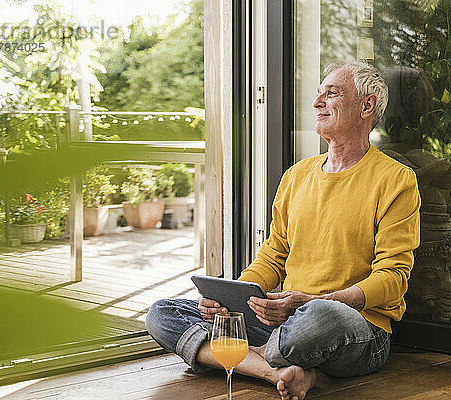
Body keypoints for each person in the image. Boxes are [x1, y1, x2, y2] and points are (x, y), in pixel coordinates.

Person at [145, 61, 421, 400]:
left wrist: (314, 301)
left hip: (353, 326)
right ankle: (275, 369)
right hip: (283, 320)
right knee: (162, 313)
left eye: (331, 94)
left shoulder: (396, 180)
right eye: (318, 93)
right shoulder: (296, 176)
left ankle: (244, 355)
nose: (317, 103)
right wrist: (235, 300)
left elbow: (393, 277)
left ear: (367, 106)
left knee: (319, 317)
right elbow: (273, 255)